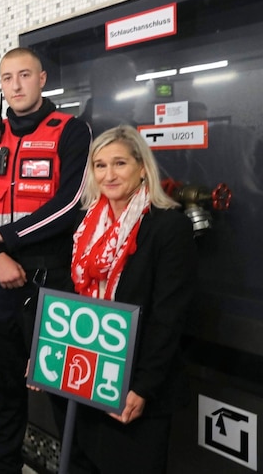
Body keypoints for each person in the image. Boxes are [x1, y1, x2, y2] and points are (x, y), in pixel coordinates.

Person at [0, 47, 91, 474]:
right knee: (6, 389)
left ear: (42, 78)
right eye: (6, 78)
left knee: (63, 392)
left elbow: (68, 204)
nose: (15, 85)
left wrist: (0, 238)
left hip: (49, 283)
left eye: (24, 75)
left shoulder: (73, 131)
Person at [64, 125, 196, 474]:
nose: (109, 175)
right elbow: (75, 303)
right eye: (100, 165)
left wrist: (142, 386)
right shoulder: (86, 226)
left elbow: (169, 317)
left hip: (138, 389)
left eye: (119, 163)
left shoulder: (169, 227)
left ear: (142, 167)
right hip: (93, 377)